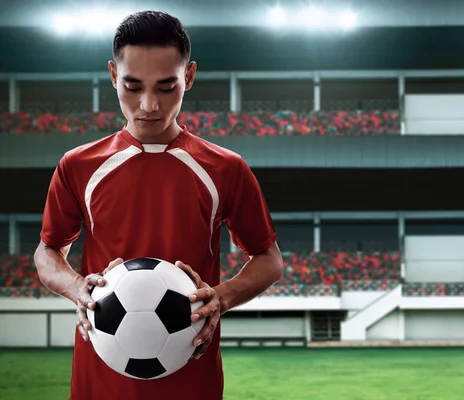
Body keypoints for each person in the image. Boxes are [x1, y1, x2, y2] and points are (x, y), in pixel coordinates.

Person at [33, 10, 283, 400]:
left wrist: (222, 296)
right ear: (114, 76)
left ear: (189, 77)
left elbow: (269, 258)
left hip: (192, 383)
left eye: (166, 87)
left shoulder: (225, 168)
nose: (148, 104)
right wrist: (76, 287)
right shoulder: (78, 166)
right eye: (132, 87)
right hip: (98, 383)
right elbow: (48, 250)